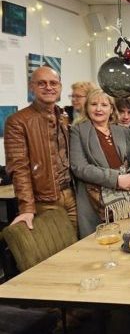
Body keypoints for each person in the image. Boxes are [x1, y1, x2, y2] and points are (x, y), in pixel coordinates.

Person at [4, 66, 77, 230]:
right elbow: (18, 167)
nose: (49, 87)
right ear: (32, 87)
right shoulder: (17, 121)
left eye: (53, 83)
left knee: (78, 247)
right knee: (55, 251)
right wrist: (27, 208)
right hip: (44, 202)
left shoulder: (63, 117)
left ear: (60, 87)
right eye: (42, 83)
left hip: (72, 196)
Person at [70, 89, 130, 238]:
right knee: (101, 247)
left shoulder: (122, 131)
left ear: (111, 109)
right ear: (86, 107)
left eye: (104, 105)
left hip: (126, 201)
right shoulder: (77, 131)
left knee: (128, 241)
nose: (98, 109)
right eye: (94, 104)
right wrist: (116, 179)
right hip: (95, 203)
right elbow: (79, 167)